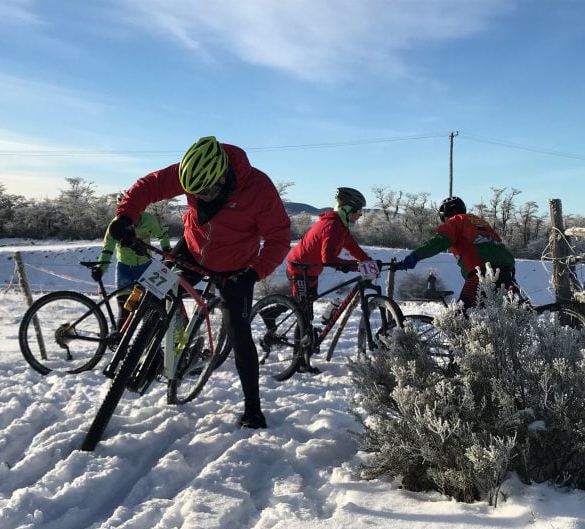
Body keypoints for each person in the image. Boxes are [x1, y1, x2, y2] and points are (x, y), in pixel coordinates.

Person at [106, 136, 291, 429]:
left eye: (208, 190)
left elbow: (279, 238)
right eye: (195, 193)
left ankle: (252, 408)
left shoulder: (258, 188)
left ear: (223, 174)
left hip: (236, 269)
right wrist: (125, 216)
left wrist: (254, 272)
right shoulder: (190, 171)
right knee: (152, 290)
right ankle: (153, 347)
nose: (201, 197)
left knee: (238, 333)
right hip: (192, 250)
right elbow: (149, 186)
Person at [398, 196, 519, 308]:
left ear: (445, 216)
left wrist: (415, 256)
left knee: (461, 316)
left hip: (481, 272)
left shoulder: (455, 220)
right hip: (506, 270)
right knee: (504, 314)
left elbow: (440, 241)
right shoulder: (480, 222)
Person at [286, 187, 378, 323]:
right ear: (346, 209)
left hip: (311, 269)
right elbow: (328, 259)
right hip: (299, 268)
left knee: (306, 305)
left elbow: (355, 249)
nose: (360, 215)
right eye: (358, 211)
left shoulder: (341, 227)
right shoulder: (332, 226)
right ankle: (300, 339)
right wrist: (354, 266)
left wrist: (371, 263)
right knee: (304, 315)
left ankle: (271, 312)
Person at [92, 194, 171, 328]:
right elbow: (107, 250)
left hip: (146, 268)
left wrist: (167, 250)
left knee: (150, 313)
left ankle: (150, 346)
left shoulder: (149, 219)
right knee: (124, 313)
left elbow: (162, 235)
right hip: (124, 269)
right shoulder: (115, 225)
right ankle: (119, 344)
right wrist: (101, 268)